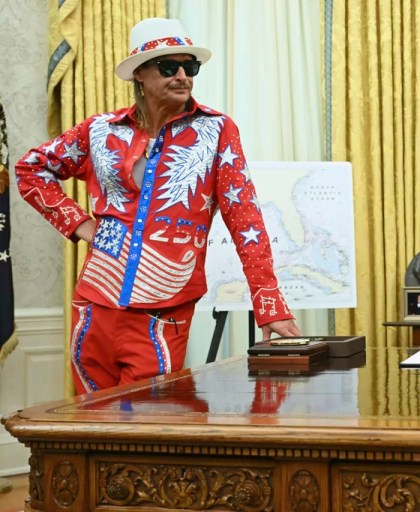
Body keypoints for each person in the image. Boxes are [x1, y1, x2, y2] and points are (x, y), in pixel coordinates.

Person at [15, 18, 301, 394]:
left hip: (161, 314)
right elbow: (31, 169)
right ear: (140, 75)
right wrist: (80, 224)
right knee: (90, 424)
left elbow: (244, 217)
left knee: (149, 425)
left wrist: (269, 304)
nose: (183, 76)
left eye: (190, 67)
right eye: (169, 67)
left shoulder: (216, 131)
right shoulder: (100, 130)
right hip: (95, 306)